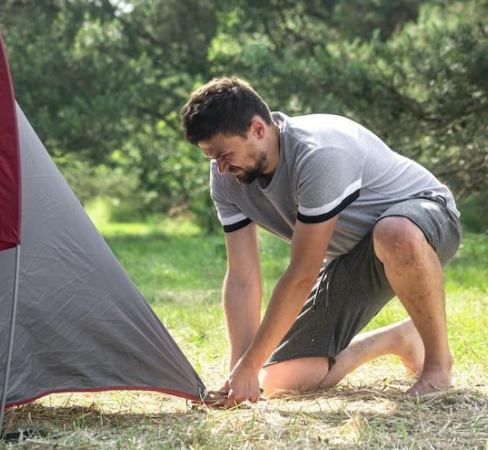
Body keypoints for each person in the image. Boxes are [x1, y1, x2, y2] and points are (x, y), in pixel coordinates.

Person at [180, 77, 462, 407]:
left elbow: (302, 273)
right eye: (212, 158)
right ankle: (398, 338)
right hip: (354, 255)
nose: (222, 168)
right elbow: (242, 277)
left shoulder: (318, 154)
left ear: (258, 129)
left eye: (225, 153)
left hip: (424, 221)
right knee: (279, 381)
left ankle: (437, 366)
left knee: (394, 234)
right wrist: (240, 372)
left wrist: (249, 365)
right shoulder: (226, 177)